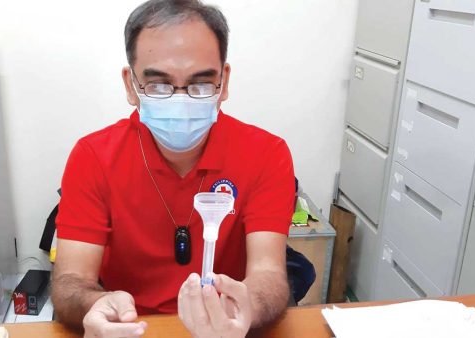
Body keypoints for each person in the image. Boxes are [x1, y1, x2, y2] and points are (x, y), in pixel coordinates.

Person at [51, 0, 295, 337]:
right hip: (132, 328)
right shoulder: (92, 157)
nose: (180, 100)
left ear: (223, 81)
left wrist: (244, 307)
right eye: (159, 85)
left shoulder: (267, 154)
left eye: (200, 83)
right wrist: (96, 304)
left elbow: (269, 274)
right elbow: (70, 282)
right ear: (130, 85)